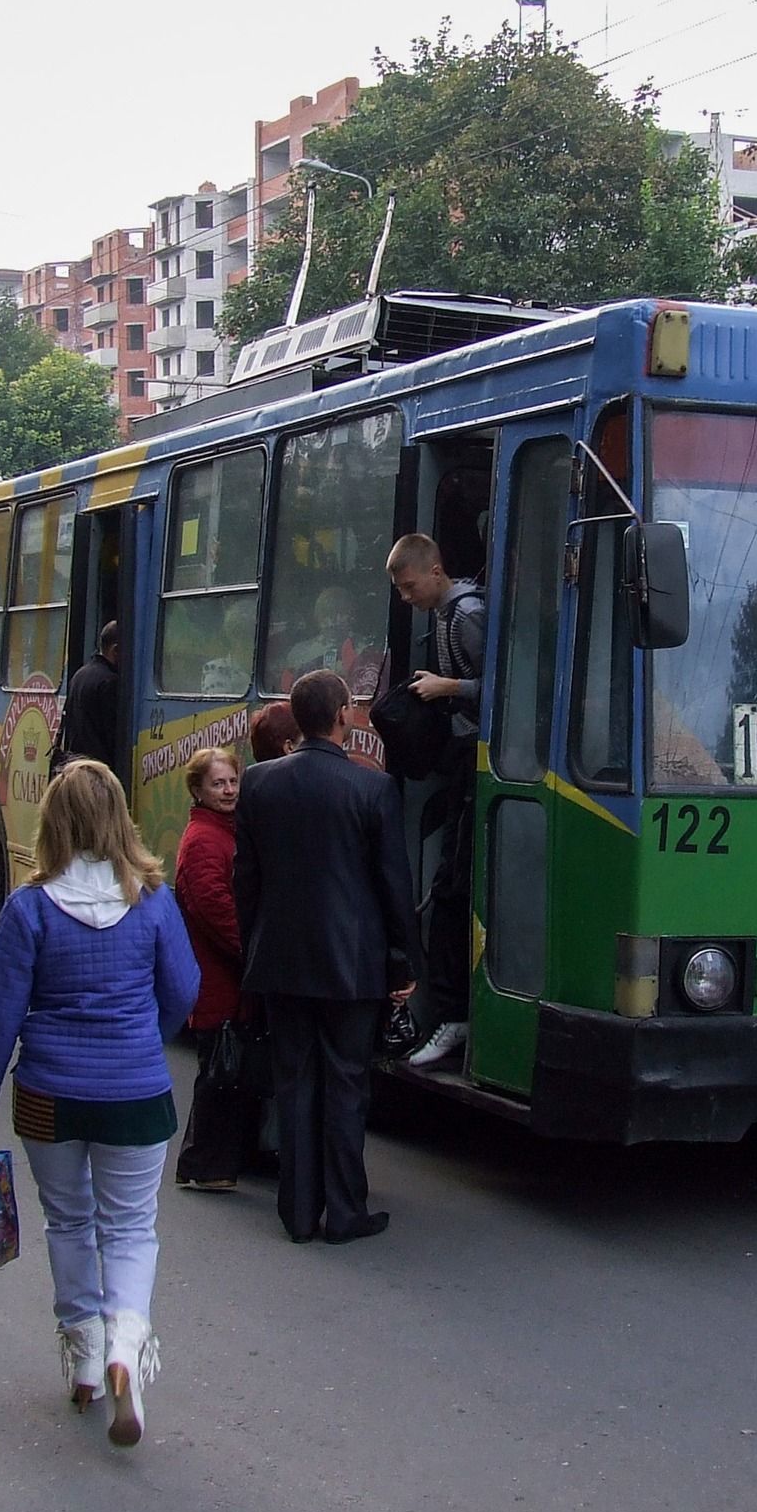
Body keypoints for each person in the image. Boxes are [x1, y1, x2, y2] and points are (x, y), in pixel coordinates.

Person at [0, 759, 198, 1447]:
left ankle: (86, 1357)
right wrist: (144, 1043)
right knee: (130, 1227)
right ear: (120, 818)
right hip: (136, 1094)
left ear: (53, 822)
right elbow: (183, 990)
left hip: (47, 1096)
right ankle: (127, 1343)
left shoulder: (30, 908)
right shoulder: (152, 899)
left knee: (69, 1223)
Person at [233, 670, 419, 1245]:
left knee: (294, 1081)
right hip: (351, 964)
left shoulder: (259, 783)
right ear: (343, 715)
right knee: (345, 1085)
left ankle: (297, 1210)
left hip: (280, 960)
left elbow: (247, 879)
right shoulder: (373, 789)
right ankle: (344, 1211)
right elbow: (393, 886)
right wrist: (402, 962)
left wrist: (254, 945)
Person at [385, 532, 485, 1069]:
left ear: (437, 571)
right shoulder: (445, 615)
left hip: (478, 756)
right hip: (460, 758)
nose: (406, 599)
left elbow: (510, 690)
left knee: (452, 887)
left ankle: (454, 1014)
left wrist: (450, 689)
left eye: (408, 587)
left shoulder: (466, 615)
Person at [172, 747, 258, 1193]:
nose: (228, 791)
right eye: (218, 784)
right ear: (198, 790)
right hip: (218, 978)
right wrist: (252, 950)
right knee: (218, 1073)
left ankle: (213, 1161)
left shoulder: (222, 829)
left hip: (226, 977)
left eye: (232, 782)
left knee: (226, 1071)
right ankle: (204, 1164)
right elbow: (215, 908)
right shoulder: (204, 839)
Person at [59, 621, 122, 772]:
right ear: (116, 650)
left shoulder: (80, 674)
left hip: (75, 767)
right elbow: (111, 735)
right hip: (98, 770)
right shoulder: (110, 681)